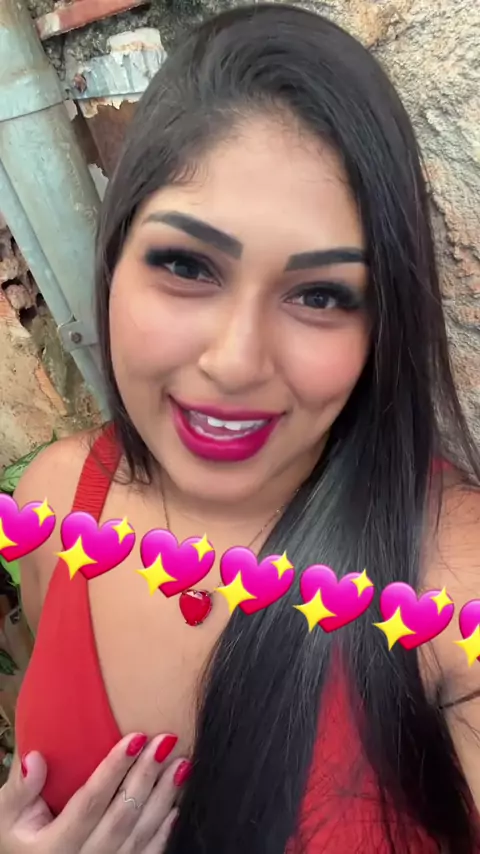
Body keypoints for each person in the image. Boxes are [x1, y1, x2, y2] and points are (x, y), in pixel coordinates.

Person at [1, 3, 479, 852]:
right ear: (115, 261)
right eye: (187, 266)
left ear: (383, 324)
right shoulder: (55, 504)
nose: (235, 361)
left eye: (320, 295)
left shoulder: (451, 583)